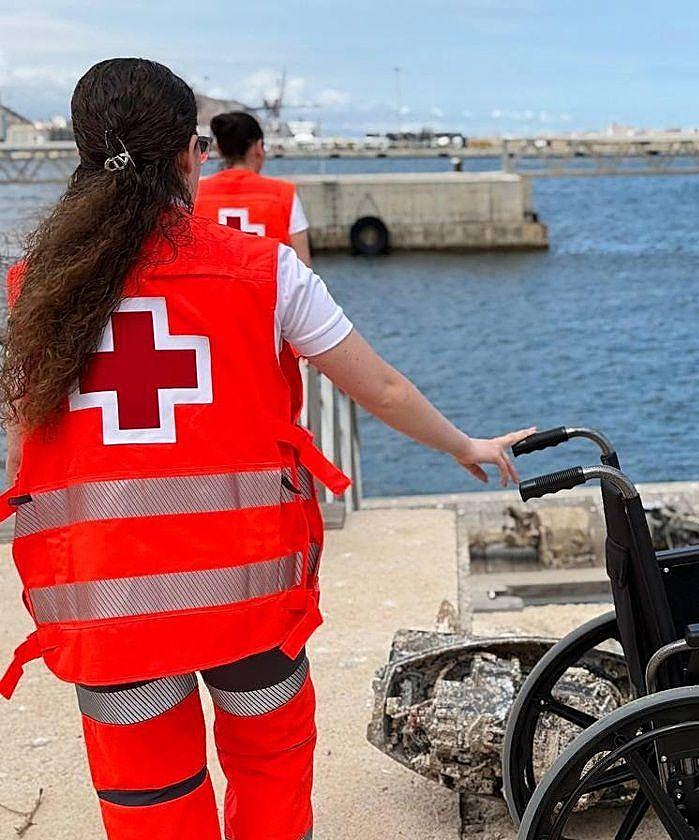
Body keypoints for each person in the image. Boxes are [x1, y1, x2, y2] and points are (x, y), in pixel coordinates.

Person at [0, 58, 531, 840]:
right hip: (245, 598)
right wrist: (464, 443)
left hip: (109, 607)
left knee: (151, 807)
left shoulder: (30, 290)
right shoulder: (265, 269)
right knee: (270, 774)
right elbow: (377, 386)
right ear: (191, 153)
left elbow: (20, 455)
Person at [193, 111, 312, 266]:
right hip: (268, 289)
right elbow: (304, 267)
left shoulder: (195, 193)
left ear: (220, 150)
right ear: (257, 147)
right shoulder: (284, 195)